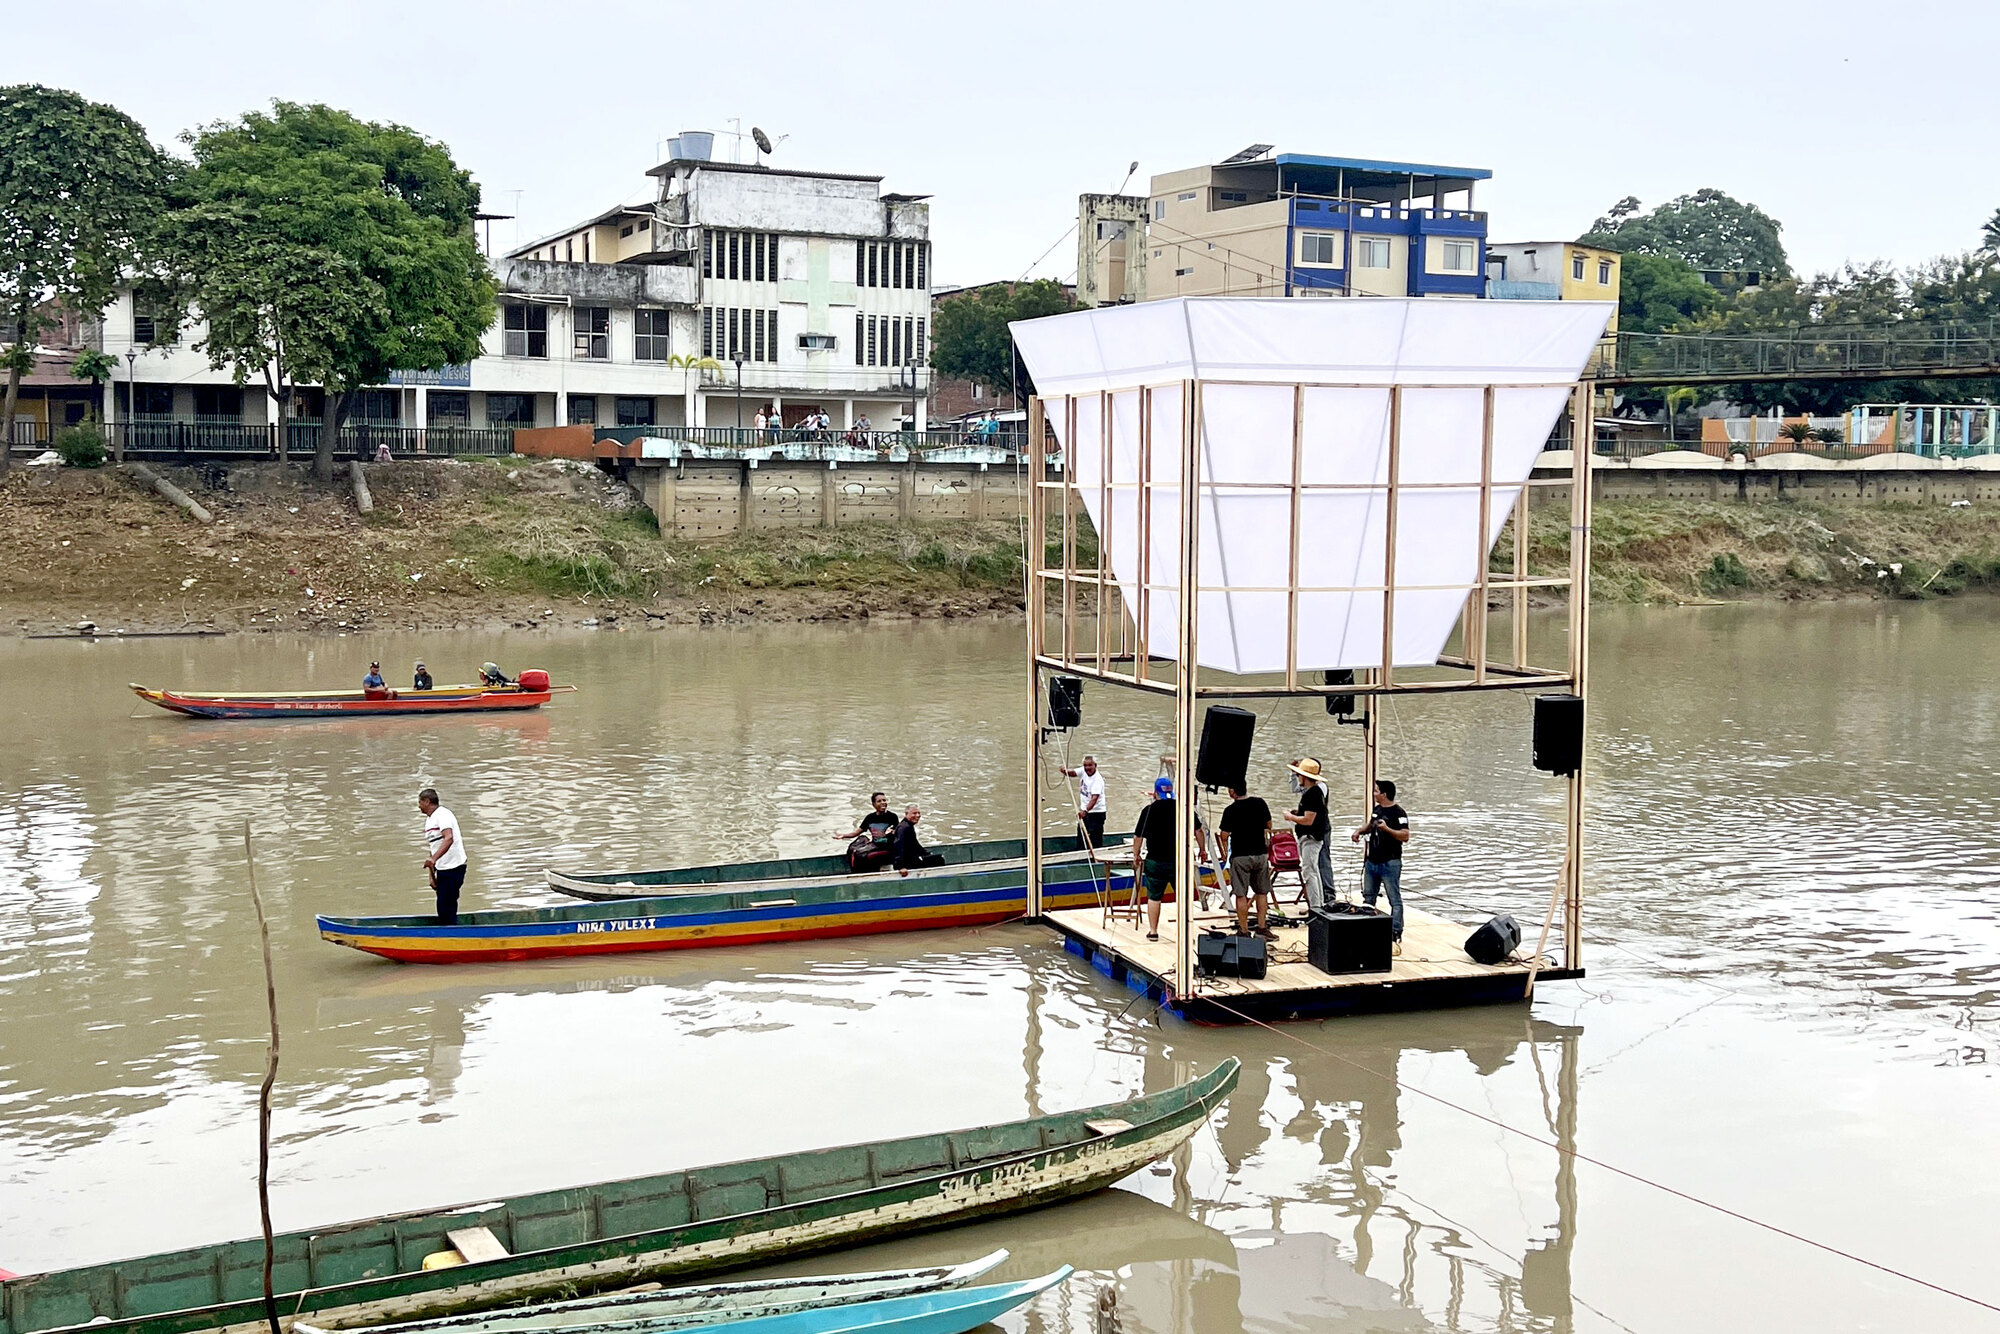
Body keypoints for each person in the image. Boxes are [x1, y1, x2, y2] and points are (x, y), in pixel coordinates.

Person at [1352, 778, 1411, 955]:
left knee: (1394, 898)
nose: (1374, 793)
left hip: (1390, 862)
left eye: (1376, 791)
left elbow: (1405, 836)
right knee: (1368, 896)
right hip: (1372, 862)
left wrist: (1387, 830)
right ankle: (1368, 927)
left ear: (1384, 794)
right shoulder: (1377, 809)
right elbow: (1370, 825)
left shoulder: (1398, 812)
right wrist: (1359, 831)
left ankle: (1395, 931)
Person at [1217, 782, 1276, 939]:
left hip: (1240, 855)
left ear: (1232, 791)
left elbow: (1224, 835)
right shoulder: (1260, 803)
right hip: (1261, 854)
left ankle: (1243, 931)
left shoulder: (1230, 810)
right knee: (1262, 892)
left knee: (1241, 894)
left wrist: (1224, 852)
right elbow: (1269, 825)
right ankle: (1262, 928)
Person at [1131, 776, 1185, 942]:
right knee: (1182, 897)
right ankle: (1183, 931)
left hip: (1155, 860)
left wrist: (1136, 854)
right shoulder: (1181, 808)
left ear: (1155, 793)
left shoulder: (1148, 811)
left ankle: (1153, 931)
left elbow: (1138, 836)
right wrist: (1203, 850)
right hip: (1178, 861)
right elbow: (1198, 830)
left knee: (1154, 897)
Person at [1283, 757, 1331, 912]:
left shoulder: (1313, 794)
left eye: (1298, 775)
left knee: (1309, 871)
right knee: (1313, 870)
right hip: (1310, 837)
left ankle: (1316, 907)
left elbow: (1309, 820)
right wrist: (1298, 813)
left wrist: (1291, 817)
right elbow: (1311, 813)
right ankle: (1319, 904)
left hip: (1311, 838)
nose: (1297, 778)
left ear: (1304, 777)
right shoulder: (1311, 793)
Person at [417, 787, 467, 925]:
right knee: (442, 906)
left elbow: (448, 838)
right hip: (442, 869)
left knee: (447, 906)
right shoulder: (430, 820)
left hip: (454, 867)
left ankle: (451, 937)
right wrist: (432, 875)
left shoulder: (443, 814)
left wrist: (433, 859)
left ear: (427, 801)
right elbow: (433, 848)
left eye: (420, 802)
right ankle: (448, 933)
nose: (418, 806)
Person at [835, 791, 901, 870]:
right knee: (855, 852)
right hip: (875, 845)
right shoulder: (870, 818)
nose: (883, 803)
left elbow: (898, 834)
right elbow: (857, 832)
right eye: (879, 801)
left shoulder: (892, 817)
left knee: (867, 857)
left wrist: (893, 832)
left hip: (888, 848)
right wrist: (843, 835)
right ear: (873, 804)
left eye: (884, 800)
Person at [1061, 755, 1108, 849]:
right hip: (1085, 812)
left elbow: (1094, 798)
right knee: (1081, 836)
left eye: (1090, 765)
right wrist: (1064, 771)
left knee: (1095, 840)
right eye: (1085, 766)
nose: (1087, 768)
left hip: (1096, 813)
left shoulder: (1097, 780)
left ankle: (1097, 858)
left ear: (1095, 765)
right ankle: (1080, 853)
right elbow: (1073, 773)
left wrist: (1085, 811)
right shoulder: (1083, 771)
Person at [892, 806, 945, 872]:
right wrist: (900, 867)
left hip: (912, 860)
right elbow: (898, 846)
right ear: (906, 814)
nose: (918, 815)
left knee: (937, 858)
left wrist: (926, 853)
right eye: (914, 813)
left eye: (919, 813)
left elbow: (915, 845)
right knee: (939, 860)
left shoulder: (908, 826)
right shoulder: (904, 828)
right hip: (908, 864)